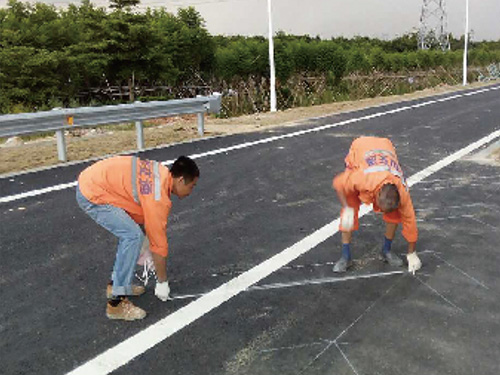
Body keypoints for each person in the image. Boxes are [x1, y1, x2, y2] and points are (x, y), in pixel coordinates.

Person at [76, 155, 199, 321]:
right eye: (192, 186)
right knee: (132, 236)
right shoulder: (158, 196)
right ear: (181, 179)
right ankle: (116, 304)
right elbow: (158, 245)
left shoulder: (161, 173)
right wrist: (162, 282)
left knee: (134, 234)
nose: (191, 191)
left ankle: (117, 285)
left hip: (96, 181)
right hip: (93, 192)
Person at [332, 136, 422, 274]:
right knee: (349, 211)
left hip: (385, 146)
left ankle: (386, 250)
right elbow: (338, 183)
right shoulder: (361, 178)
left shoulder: (402, 191)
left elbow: (411, 223)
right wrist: (347, 206)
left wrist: (412, 253)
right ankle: (345, 256)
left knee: (394, 214)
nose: (380, 212)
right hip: (360, 148)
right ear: (377, 195)